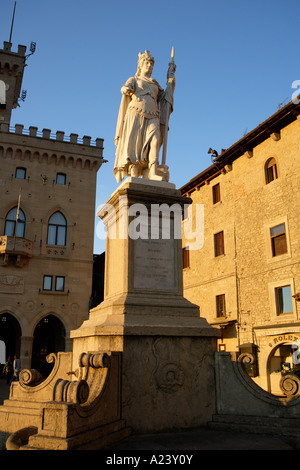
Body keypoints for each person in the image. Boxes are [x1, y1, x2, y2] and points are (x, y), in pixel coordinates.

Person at [113, 50, 175, 183]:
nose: (149, 66)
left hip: (153, 115)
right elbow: (124, 88)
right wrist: (125, 90)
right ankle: (134, 173)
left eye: (151, 64)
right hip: (136, 113)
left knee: (155, 140)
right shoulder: (134, 79)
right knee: (136, 145)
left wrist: (170, 78)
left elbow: (165, 99)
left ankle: (153, 171)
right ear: (140, 65)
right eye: (147, 62)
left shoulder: (155, 84)